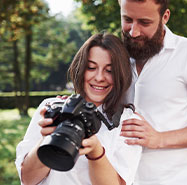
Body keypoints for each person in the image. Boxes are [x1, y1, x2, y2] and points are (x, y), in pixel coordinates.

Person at [118, 0, 187, 184]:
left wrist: (158, 139)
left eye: (145, 23)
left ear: (165, 17)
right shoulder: (114, 55)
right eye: (127, 19)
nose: (133, 32)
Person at [15, 33, 142, 185]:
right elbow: (28, 179)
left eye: (110, 71)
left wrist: (96, 151)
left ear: (121, 74)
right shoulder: (52, 108)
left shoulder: (128, 122)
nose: (99, 77)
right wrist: (47, 138)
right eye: (91, 67)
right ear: (81, 68)